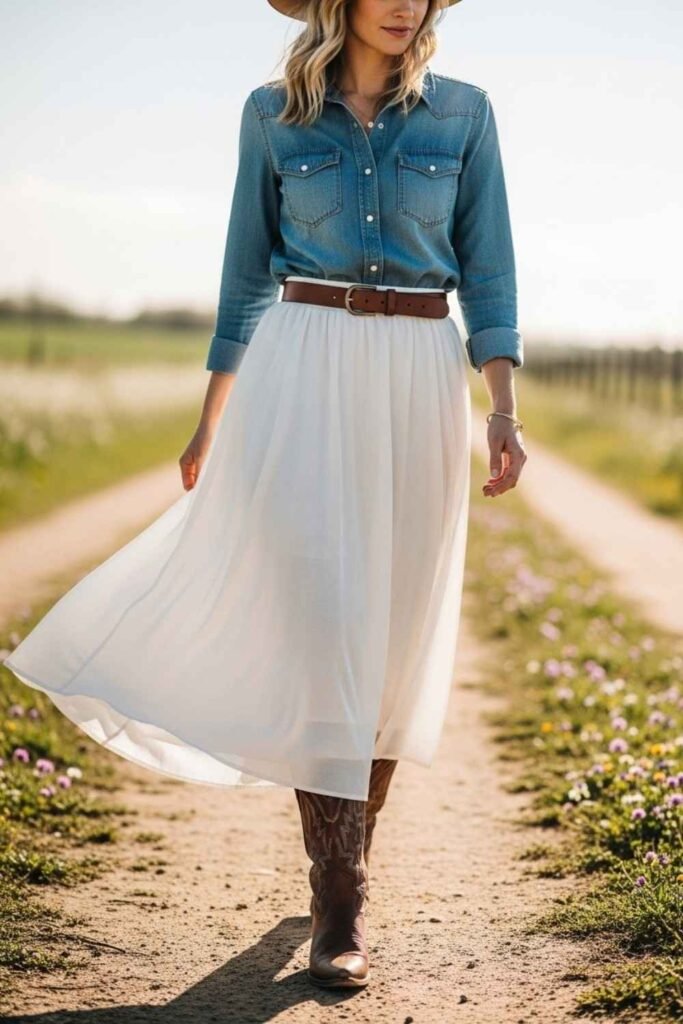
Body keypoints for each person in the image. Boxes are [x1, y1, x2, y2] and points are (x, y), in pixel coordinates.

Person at [4, 0, 527, 991]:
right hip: (301, 364)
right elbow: (245, 274)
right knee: (320, 619)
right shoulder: (270, 116)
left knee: (390, 638)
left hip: (420, 374)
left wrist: (500, 407)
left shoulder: (465, 115)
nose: (404, 3)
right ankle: (340, 898)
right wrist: (212, 416)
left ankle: (348, 860)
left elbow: (489, 270)